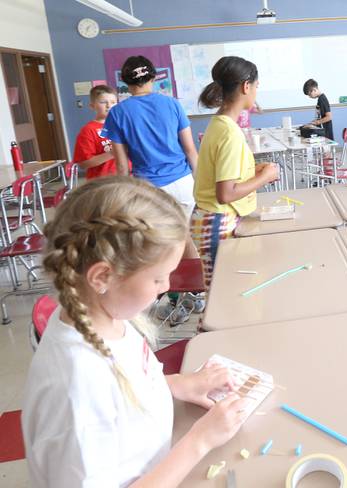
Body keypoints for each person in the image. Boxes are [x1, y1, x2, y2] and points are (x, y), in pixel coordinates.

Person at [22, 176, 250, 487]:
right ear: (103, 276)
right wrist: (200, 440)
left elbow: (125, 388)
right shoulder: (77, 389)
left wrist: (180, 384)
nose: (167, 287)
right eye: (158, 279)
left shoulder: (105, 317)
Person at [103, 55, 202, 322]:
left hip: (149, 189)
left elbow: (122, 166)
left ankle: (174, 300)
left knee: (159, 246)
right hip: (182, 183)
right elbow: (191, 150)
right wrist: (202, 185)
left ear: (124, 83)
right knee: (184, 236)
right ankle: (198, 293)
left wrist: (123, 198)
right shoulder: (172, 104)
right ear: (153, 77)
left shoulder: (117, 113)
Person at [193, 56, 280, 289]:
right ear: (246, 86)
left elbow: (223, 173)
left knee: (224, 291)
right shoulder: (230, 133)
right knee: (220, 295)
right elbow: (226, 193)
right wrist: (264, 177)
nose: (256, 92)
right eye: (256, 87)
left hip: (212, 218)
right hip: (216, 220)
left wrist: (252, 170)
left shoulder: (220, 123)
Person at [72, 85, 130, 179]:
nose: (109, 106)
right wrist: (113, 152)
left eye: (113, 102)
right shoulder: (88, 130)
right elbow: (83, 164)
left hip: (127, 178)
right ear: (92, 106)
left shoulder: (123, 125)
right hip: (102, 182)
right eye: (103, 102)